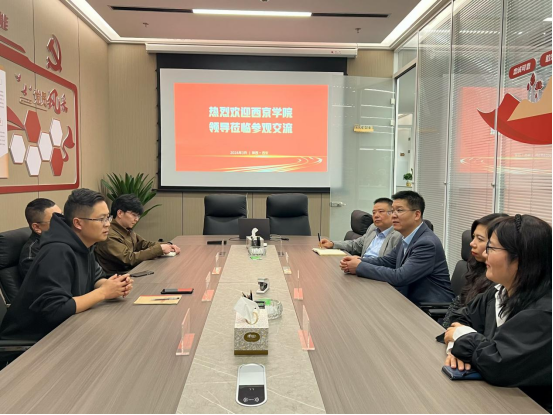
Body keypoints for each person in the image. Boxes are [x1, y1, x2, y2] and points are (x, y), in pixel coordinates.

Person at [444, 215, 552, 413]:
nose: (484, 254)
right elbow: (460, 317)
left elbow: (498, 364)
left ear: (520, 258)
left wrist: (460, 337)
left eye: (491, 248)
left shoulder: (544, 312)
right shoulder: (498, 291)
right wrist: (455, 349)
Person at [0, 189, 134, 342]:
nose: (108, 224)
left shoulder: (85, 244)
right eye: (101, 219)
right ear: (78, 223)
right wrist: (103, 293)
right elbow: (56, 309)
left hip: (67, 328)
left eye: (108, 217)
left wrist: (114, 286)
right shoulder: (57, 251)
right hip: (32, 341)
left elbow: (95, 279)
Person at [340, 191, 454, 306]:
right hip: (406, 298)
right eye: (392, 211)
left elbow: (400, 277)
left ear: (416, 215)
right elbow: (387, 261)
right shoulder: (407, 236)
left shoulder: (426, 243)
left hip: (428, 308)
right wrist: (360, 260)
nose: (393, 215)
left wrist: (360, 267)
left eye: (399, 210)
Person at [441, 213, 509, 329]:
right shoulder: (478, 267)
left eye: (480, 239)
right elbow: (459, 303)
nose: (472, 243)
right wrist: (446, 328)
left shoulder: (500, 279)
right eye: (474, 237)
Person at [95, 194, 180, 276]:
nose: (136, 219)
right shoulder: (108, 234)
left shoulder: (126, 229)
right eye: (134, 215)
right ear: (120, 213)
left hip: (131, 272)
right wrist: (159, 249)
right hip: (118, 277)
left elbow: (143, 244)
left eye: (138, 216)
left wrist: (167, 245)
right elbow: (128, 259)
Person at [320, 198, 402, 259]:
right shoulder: (373, 227)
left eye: (381, 212)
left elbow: (389, 263)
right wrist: (333, 244)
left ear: (392, 213)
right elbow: (356, 245)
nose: (376, 215)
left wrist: (361, 263)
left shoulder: (398, 235)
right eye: (374, 212)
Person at [18, 199, 62, 280]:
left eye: (61, 216)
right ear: (37, 227)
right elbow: (51, 284)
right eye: (56, 220)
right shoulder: (31, 257)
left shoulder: (61, 239)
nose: (62, 222)